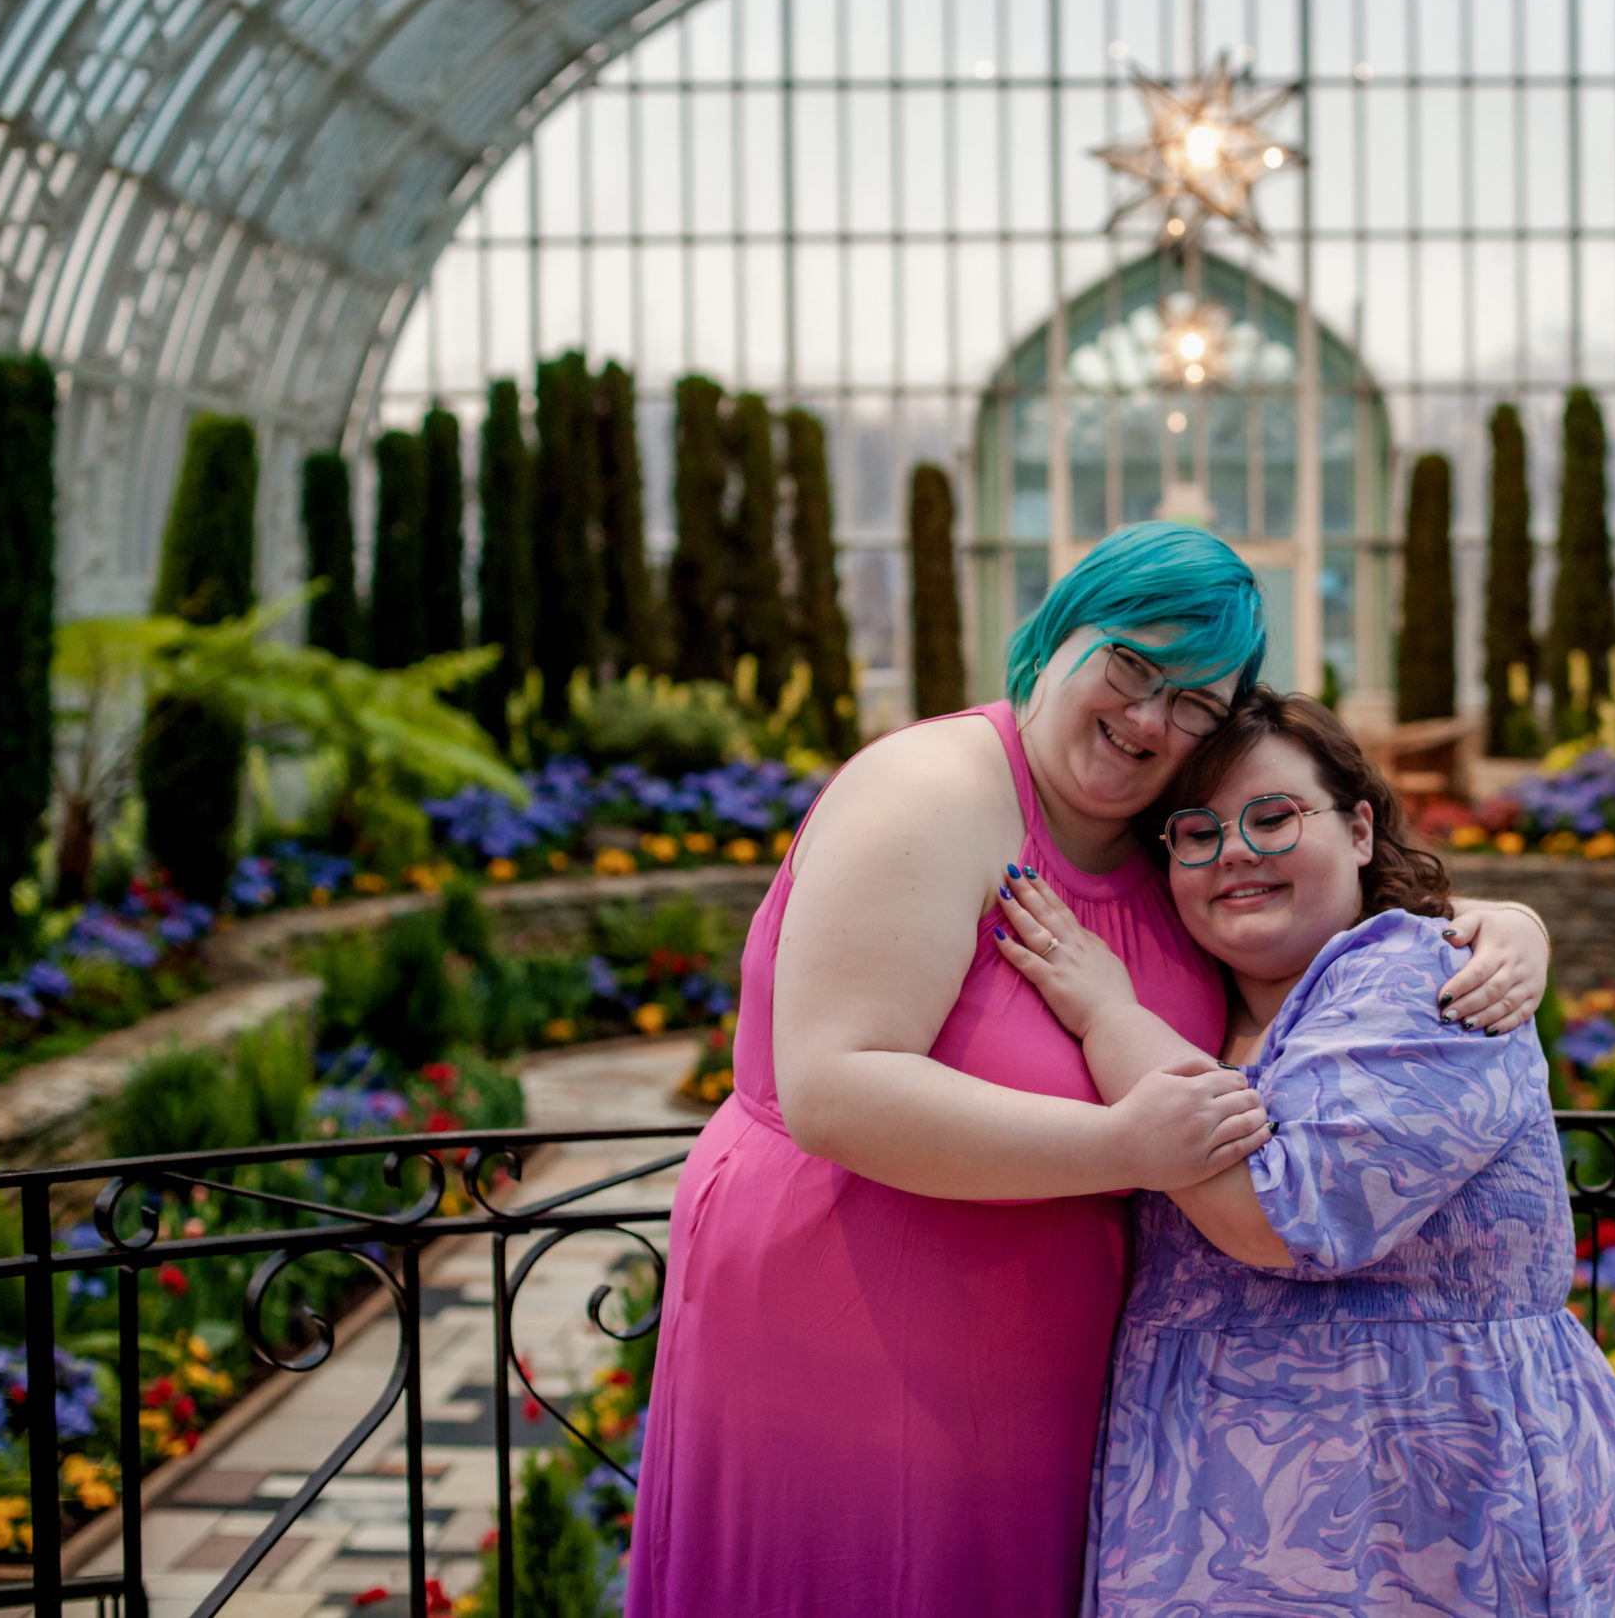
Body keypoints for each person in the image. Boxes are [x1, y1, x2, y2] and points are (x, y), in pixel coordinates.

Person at [626, 524, 1553, 1618]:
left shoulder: (1167, 835)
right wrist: (1123, 1151)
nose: (1152, 717)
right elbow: (837, 1084)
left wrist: (1491, 922)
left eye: (1195, 701)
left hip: (1052, 1375)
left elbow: (1295, 937)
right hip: (848, 1331)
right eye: (1131, 666)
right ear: (1058, 634)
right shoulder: (936, 788)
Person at [993, 685, 1615, 1616]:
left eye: (1273, 817)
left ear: (1360, 829)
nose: (1235, 848)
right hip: (1201, 1518)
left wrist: (1107, 1014)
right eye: (1197, 833)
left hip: (1434, 1519)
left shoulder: (1429, 982)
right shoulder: (1196, 999)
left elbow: (1282, 1213)